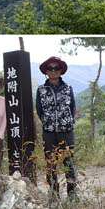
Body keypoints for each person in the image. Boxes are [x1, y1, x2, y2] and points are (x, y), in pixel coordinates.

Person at [36, 56, 77, 200]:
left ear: (60, 71)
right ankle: (54, 193)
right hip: (49, 133)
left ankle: (72, 194)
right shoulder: (41, 90)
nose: (53, 71)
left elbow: (72, 107)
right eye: (50, 68)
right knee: (51, 163)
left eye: (56, 68)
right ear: (46, 71)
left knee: (68, 163)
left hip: (66, 132)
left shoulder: (68, 88)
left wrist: (67, 121)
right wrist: (48, 122)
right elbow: (39, 110)